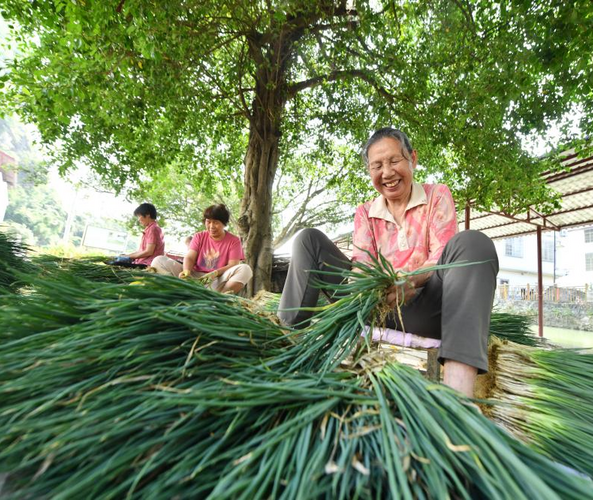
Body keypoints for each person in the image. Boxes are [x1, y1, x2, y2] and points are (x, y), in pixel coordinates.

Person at [278, 128, 499, 398]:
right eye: (377, 166)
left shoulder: (436, 196)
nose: (387, 173)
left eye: (395, 161)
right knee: (307, 239)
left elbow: (442, 253)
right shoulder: (366, 212)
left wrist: (411, 280)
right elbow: (361, 264)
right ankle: (286, 345)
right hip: (373, 306)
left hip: (423, 308)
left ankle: (457, 396)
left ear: (412, 159)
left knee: (474, 243)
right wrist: (372, 289)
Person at [151, 204, 253, 293]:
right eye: (208, 222)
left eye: (216, 222)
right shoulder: (199, 236)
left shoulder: (234, 240)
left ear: (224, 223)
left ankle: (218, 298)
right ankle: (178, 290)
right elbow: (190, 257)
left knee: (245, 269)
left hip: (216, 281)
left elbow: (233, 265)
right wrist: (186, 271)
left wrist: (215, 273)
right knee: (158, 260)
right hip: (193, 277)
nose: (211, 226)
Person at [111, 203, 165, 268]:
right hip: (142, 262)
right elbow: (142, 251)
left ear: (148, 214)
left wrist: (127, 256)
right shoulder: (151, 228)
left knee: (114, 264)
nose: (139, 219)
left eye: (139, 216)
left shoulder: (153, 229)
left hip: (147, 265)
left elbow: (149, 252)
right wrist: (127, 255)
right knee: (116, 259)